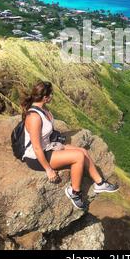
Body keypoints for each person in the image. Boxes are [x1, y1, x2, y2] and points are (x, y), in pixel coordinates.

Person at [21, 81, 119, 210]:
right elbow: (36, 147)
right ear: (45, 97)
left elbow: (45, 135)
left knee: (82, 151)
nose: (52, 97)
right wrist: (48, 169)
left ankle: (99, 183)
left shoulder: (43, 109)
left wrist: (56, 143)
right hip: (36, 158)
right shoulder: (34, 117)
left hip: (48, 147)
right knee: (78, 156)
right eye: (51, 95)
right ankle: (74, 192)